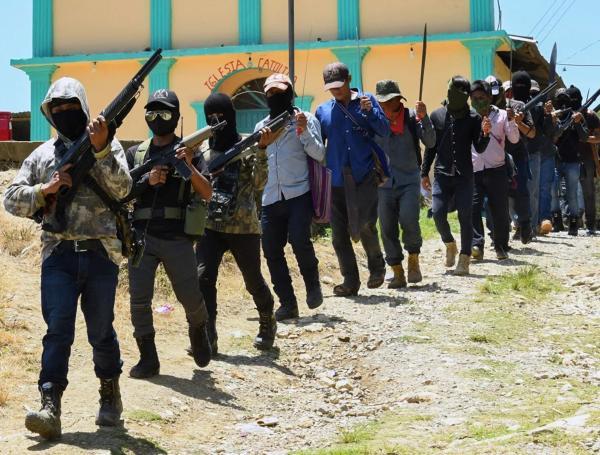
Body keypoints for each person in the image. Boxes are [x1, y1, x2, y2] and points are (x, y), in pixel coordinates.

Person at [3, 77, 132, 439]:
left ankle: (109, 394)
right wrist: (45, 190)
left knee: (101, 331)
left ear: (84, 107)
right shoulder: (43, 155)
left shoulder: (109, 146)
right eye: (56, 109)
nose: (63, 114)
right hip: (58, 255)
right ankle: (49, 405)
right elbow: (10, 198)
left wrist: (102, 149)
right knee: (57, 332)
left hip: (101, 254)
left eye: (71, 108)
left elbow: (124, 189)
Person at [123, 89, 213, 379]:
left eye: (164, 113)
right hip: (141, 236)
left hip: (177, 237)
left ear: (176, 116)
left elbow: (207, 192)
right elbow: (120, 193)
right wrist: (146, 181)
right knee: (138, 299)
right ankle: (148, 358)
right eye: (151, 113)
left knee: (190, 296)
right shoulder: (136, 153)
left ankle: (199, 332)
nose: (157, 119)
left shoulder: (189, 152)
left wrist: (187, 165)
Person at [196, 93, 277, 351]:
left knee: (252, 280)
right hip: (210, 225)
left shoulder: (247, 146)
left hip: (243, 227)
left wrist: (262, 150)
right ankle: (209, 335)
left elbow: (259, 184)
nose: (217, 122)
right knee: (203, 278)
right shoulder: (203, 150)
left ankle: (267, 320)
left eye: (222, 117)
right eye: (212, 118)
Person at [315, 62, 390, 296]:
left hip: (364, 175)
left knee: (366, 225)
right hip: (335, 179)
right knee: (339, 235)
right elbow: (318, 145)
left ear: (349, 80)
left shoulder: (367, 102)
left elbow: (384, 130)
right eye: (331, 87)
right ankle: (350, 281)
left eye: (339, 85)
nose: (335, 90)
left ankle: (377, 269)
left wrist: (371, 112)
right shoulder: (323, 111)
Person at [256, 73, 325, 321]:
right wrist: (261, 146)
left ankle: (313, 286)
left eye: (280, 92)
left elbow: (319, 154)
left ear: (290, 92)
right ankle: (287, 303)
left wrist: (303, 131)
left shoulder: (305, 119)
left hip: (299, 193)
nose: (275, 97)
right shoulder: (260, 127)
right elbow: (258, 161)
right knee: (272, 251)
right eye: (270, 93)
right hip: (270, 197)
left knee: (299, 241)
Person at [421, 75, 491, 276]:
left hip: (465, 177)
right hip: (442, 175)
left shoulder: (473, 118)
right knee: (438, 212)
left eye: (462, 91)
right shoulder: (437, 115)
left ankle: (464, 258)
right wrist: (424, 172)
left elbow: (479, 147)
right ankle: (449, 243)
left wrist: (485, 134)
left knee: (465, 217)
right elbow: (431, 148)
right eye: (454, 89)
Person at [374, 80, 435, 287]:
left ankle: (413, 260)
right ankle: (397, 271)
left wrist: (424, 117)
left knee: (409, 219)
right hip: (383, 184)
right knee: (387, 228)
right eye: (382, 102)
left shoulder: (410, 118)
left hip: (409, 180)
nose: (386, 106)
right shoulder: (374, 120)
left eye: (390, 101)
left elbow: (431, 141)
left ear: (398, 100)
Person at [470, 79, 520, 260]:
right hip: (474, 170)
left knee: (499, 210)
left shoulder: (502, 115)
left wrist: (513, 121)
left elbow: (514, 139)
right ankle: (477, 245)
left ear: (490, 97)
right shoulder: (468, 117)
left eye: (482, 97)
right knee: (473, 209)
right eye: (474, 98)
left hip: (497, 169)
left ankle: (501, 245)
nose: (478, 101)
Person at [550, 87, 589, 236]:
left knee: (572, 193)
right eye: (559, 99)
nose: (562, 102)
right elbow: (550, 136)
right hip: (556, 160)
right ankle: (557, 220)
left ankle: (574, 222)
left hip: (573, 161)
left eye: (564, 98)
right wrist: (553, 121)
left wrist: (578, 122)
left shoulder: (576, 115)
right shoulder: (554, 116)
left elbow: (585, 137)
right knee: (553, 191)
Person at [506, 71, 537, 244]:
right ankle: (500, 234)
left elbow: (532, 133)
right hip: (497, 158)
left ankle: (525, 226)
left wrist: (518, 122)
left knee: (521, 193)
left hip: (519, 157)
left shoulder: (519, 107)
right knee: (499, 197)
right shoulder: (489, 108)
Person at [567, 86, 600, 235]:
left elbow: (598, 137)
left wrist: (586, 137)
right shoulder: (565, 114)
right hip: (567, 158)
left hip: (586, 159)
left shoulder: (591, 115)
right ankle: (570, 222)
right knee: (567, 192)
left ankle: (591, 224)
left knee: (588, 192)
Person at [527, 80, 557, 236]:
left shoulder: (547, 109)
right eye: (531, 93)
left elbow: (553, 132)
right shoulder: (523, 107)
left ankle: (544, 219)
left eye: (536, 93)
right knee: (531, 190)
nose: (534, 96)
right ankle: (527, 222)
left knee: (544, 189)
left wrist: (549, 116)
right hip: (530, 153)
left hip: (546, 153)